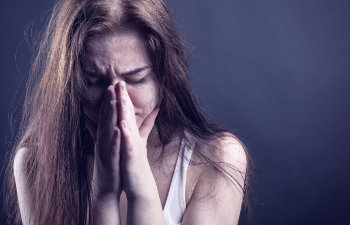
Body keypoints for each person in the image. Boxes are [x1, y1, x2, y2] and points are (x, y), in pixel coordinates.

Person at [4, 0, 251, 224]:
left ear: (165, 78)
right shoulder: (35, 164)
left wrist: (140, 188)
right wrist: (104, 196)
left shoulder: (218, 160)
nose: (116, 100)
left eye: (135, 79)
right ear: (71, 85)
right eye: (94, 81)